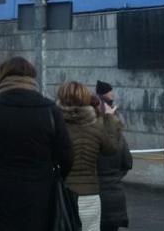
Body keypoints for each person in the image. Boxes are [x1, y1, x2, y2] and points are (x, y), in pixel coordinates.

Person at [0, 57, 73, 231]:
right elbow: (67, 156)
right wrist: (55, 174)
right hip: (39, 190)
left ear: (3, 78)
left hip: (3, 189)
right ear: (32, 78)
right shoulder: (50, 109)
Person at [56, 81, 116, 231]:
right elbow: (111, 149)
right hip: (90, 194)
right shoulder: (96, 126)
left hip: (62, 195)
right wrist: (108, 119)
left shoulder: (55, 126)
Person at [98, 106, 132, 231]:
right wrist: (116, 176)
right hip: (116, 196)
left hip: (94, 195)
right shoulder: (120, 139)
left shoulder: (92, 139)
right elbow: (128, 163)